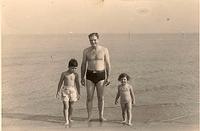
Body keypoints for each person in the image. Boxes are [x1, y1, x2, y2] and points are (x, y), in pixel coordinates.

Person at [81, 33, 111, 122]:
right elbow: (83, 64)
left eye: (94, 40)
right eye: (91, 40)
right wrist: (82, 77)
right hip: (89, 75)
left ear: (98, 39)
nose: (93, 42)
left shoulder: (104, 50)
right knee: (89, 97)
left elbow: (108, 64)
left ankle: (101, 116)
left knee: (100, 97)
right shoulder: (86, 51)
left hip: (101, 75)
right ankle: (89, 117)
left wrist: (108, 77)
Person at [56, 58, 80, 125]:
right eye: (72, 68)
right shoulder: (64, 74)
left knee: (71, 106)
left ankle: (69, 118)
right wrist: (58, 91)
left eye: (75, 68)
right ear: (68, 67)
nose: (74, 70)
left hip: (73, 90)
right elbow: (60, 83)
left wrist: (79, 93)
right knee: (66, 106)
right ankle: (66, 120)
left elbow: (77, 84)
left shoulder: (76, 75)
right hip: (65, 90)